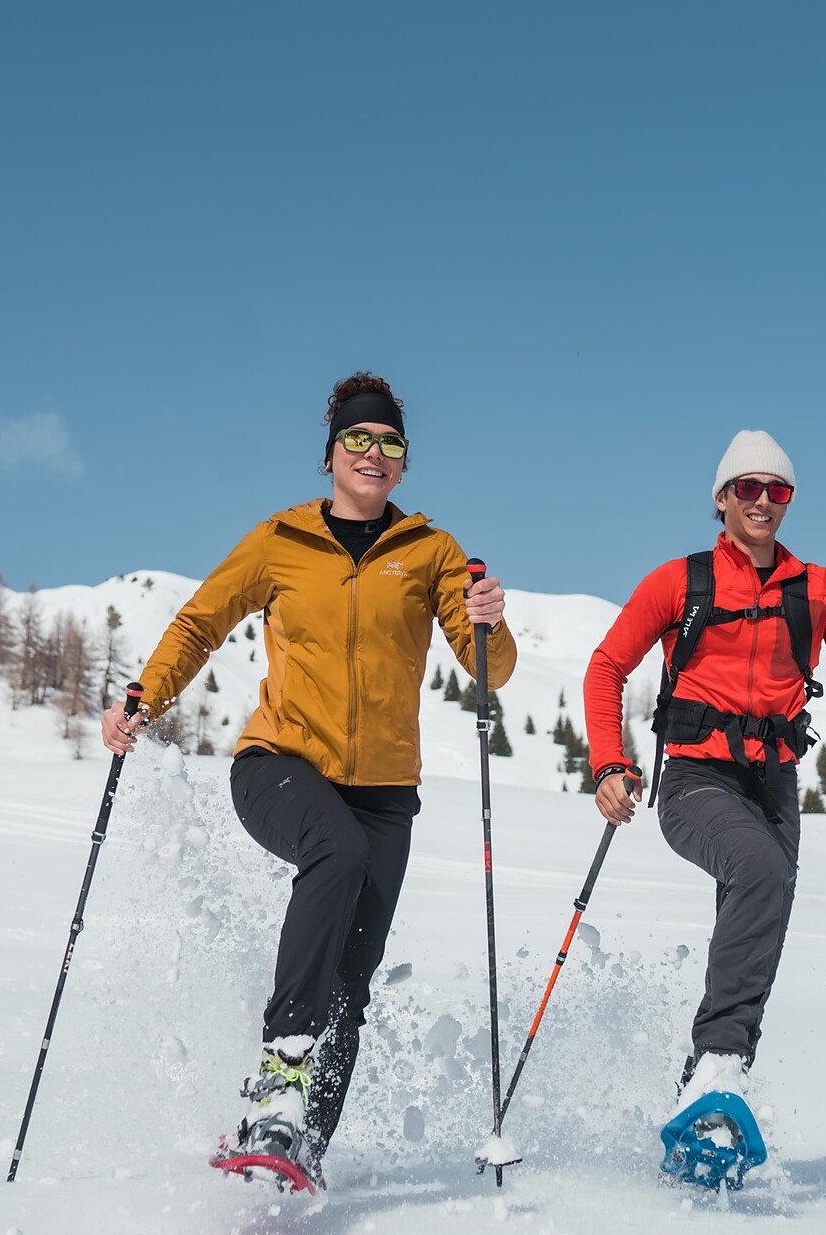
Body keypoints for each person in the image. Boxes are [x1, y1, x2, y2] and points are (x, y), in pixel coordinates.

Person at [101, 372, 515, 1184]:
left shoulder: (430, 552)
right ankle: (280, 1068)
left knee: (350, 986)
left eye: (390, 443)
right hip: (279, 765)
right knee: (336, 853)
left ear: (403, 464)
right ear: (330, 455)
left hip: (386, 795)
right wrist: (143, 697)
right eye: (359, 439)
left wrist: (490, 624)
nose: (374, 453)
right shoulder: (280, 541)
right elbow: (201, 621)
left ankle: (293, 1151)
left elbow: (488, 669)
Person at [582, 429, 826, 1114]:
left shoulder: (819, 590)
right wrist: (610, 762)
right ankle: (720, 1063)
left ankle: (711, 1091)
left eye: (777, 490)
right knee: (762, 873)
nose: (763, 502)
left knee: (767, 903)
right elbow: (607, 666)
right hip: (696, 781)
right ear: (723, 499)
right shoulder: (681, 581)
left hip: (775, 786)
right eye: (749, 489)